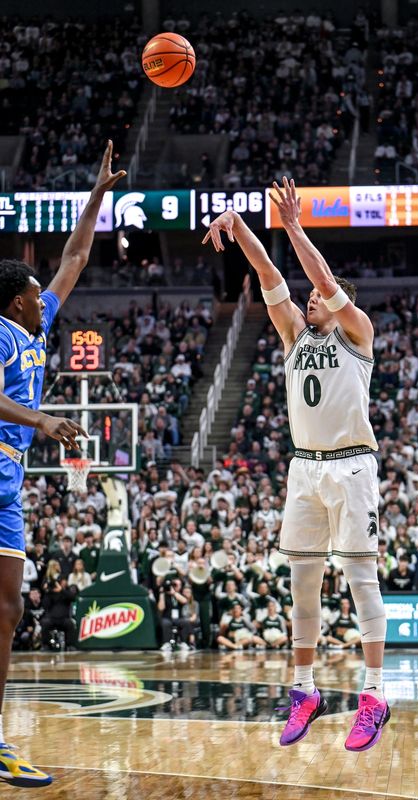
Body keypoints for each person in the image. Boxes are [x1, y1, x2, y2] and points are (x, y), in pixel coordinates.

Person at [203, 175, 389, 753]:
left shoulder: (358, 333)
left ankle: (376, 694)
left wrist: (294, 226)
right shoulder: (292, 335)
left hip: (353, 467)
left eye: (317, 295)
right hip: (304, 470)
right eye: (306, 295)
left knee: (360, 578)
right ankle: (304, 690)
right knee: (302, 584)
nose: (308, 298)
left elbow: (323, 279)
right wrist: (239, 227)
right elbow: (268, 276)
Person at [0, 141, 125, 787]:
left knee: (10, 609)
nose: (41, 288)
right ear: (15, 298)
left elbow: (75, 256)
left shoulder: (37, 323)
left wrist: (97, 195)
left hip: (8, 488)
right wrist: (45, 420)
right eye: (32, 284)